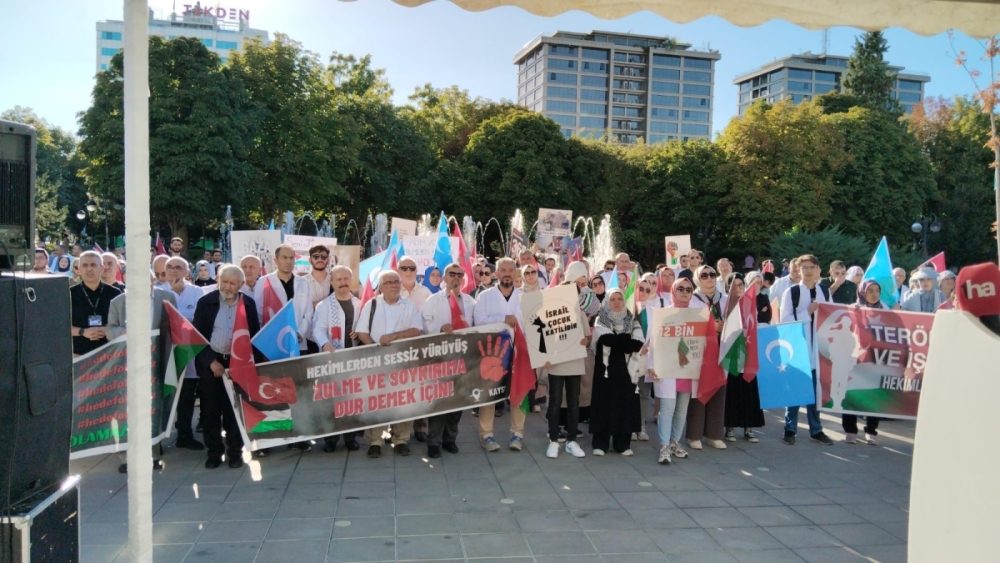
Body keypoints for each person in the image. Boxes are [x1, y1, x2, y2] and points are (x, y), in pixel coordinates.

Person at [107, 273, 177, 473]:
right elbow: (109, 328)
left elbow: (175, 326)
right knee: (125, 410)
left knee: (153, 409)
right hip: (127, 363)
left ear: (152, 281)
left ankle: (152, 454)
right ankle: (126, 457)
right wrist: (122, 332)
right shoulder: (118, 302)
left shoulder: (167, 298)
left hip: (157, 360)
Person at [193, 265, 260, 469]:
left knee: (235, 411)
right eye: (224, 282)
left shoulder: (248, 304)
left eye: (232, 283)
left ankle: (235, 452)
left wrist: (247, 365)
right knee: (211, 411)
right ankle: (214, 452)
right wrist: (210, 361)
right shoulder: (206, 302)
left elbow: (254, 335)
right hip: (212, 363)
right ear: (218, 281)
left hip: (238, 364)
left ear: (241, 284)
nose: (228, 287)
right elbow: (196, 336)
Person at [355, 270, 423, 458]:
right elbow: (362, 331)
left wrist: (394, 337)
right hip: (377, 362)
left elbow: (417, 329)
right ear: (381, 287)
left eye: (396, 282)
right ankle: (375, 441)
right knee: (377, 402)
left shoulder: (409, 306)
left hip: (403, 361)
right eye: (389, 282)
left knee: (403, 401)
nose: (394, 285)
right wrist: (374, 350)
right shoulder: (372, 304)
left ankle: (401, 439)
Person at [472, 258, 528, 452]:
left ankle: (517, 433)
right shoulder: (485, 297)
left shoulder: (524, 297)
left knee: (518, 393)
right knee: (490, 394)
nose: (506, 273)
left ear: (515, 273)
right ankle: (486, 434)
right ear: (496, 274)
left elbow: (533, 326)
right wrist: (503, 320)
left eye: (510, 270)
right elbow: (478, 321)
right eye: (502, 270)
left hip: (519, 353)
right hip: (492, 353)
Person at [778, 254, 834, 446]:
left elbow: (832, 318)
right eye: (805, 268)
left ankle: (816, 429)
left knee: (816, 391)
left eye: (812, 267)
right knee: (795, 389)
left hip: (819, 349)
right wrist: (807, 312)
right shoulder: (791, 292)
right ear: (798, 270)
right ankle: (790, 429)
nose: (808, 271)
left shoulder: (824, 292)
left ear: (818, 270)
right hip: (798, 346)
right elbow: (784, 321)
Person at [421, 263, 476, 458]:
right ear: (444, 278)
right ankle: (433, 442)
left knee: (458, 402)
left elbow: (476, 325)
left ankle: (450, 439)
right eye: (451, 274)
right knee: (439, 401)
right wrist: (440, 326)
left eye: (459, 275)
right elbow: (425, 324)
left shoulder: (469, 301)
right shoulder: (433, 300)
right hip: (440, 358)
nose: (455, 278)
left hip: (462, 358)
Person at [542, 261, 591, 460]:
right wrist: (544, 355)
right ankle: (553, 440)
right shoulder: (552, 301)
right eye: (577, 282)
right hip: (556, 360)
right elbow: (544, 330)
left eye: (582, 283)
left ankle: (572, 440)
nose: (580, 287)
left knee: (573, 402)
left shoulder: (579, 306)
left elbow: (587, 335)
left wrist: (584, 339)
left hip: (574, 359)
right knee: (554, 401)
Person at [312, 265, 362, 453]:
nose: (342, 283)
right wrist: (325, 343)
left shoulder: (358, 303)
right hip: (331, 360)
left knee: (351, 400)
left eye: (345, 279)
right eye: (338, 279)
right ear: (331, 282)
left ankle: (350, 438)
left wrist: (360, 332)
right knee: (331, 401)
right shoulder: (324, 305)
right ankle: (331, 439)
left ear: (351, 280)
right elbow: (317, 329)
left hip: (353, 359)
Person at [648, 277, 697, 464]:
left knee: (682, 409)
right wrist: (651, 365)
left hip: (687, 369)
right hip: (667, 369)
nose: (685, 292)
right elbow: (654, 341)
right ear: (674, 291)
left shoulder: (697, 315)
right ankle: (664, 446)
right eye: (681, 288)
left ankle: (675, 442)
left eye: (689, 289)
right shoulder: (664, 314)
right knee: (667, 409)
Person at [590, 288, 644, 456]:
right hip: (605, 372)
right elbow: (607, 339)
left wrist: (621, 341)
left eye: (620, 298)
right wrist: (625, 339)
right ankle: (601, 443)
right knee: (603, 404)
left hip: (626, 372)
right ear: (607, 301)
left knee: (625, 405)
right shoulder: (601, 320)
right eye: (612, 299)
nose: (616, 302)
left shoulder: (632, 319)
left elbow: (636, 343)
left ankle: (622, 444)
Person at [164, 256, 208, 451]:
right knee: (168, 396)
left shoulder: (197, 292)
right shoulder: (159, 292)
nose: (174, 271)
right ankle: (162, 436)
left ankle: (186, 434)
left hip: (191, 352)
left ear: (186, 271)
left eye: (178, 267)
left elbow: (200, 320)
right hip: (167, 353)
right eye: (170, 267)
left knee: (189, 396)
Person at [686, 264, 727, 450]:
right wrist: (712, 328)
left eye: (712, 274)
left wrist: (723, 328)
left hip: (721, 349)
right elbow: (690, 325)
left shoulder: (725, 299)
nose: (709, 278)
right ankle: (694, 435)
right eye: (704, 275)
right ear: (697, 278)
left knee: (719, 387)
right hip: (700, 351)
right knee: (698, 390)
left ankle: (714, 434)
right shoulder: (692, 300)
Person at [842, 279, 886, 445]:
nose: (874, 294)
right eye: (870, 291)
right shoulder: (853, 309)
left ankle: (871, 430)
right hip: (854, 359)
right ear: (862, 292)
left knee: (873, 395)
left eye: (877, 291)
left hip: (876, 360)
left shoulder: (886, 311)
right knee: (852, 394)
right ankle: (850, 430)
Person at [722, 273, 765, 443]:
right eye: (734, 285)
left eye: (741, 285)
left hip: (747, 351)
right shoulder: (725, 303)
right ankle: (730, 427)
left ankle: (749, 427)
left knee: (748, 389)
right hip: (732, 352)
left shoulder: (749, 302)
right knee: (732, 391)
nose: (738, 288)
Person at [254, 244, 313, 354]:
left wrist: (300, 333)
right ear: (276, 260)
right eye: (284, 257)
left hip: (298, 342)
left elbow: (309, 313)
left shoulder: (304, 283)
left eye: (291, 258)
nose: (288, 261)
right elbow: (258, 313)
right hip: (272, 342)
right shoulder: (264, 282)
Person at [70, 251, 123, 357]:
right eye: (85, 265)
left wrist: (106, 330)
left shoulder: (115, 293)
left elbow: (122, 324)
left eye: (93, 265)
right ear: (79, 269)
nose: (89, 269)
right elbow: (61, 327)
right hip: (78, 355)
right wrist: (83, 332)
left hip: (110, 354)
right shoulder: (69, 294)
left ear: (102, 268)